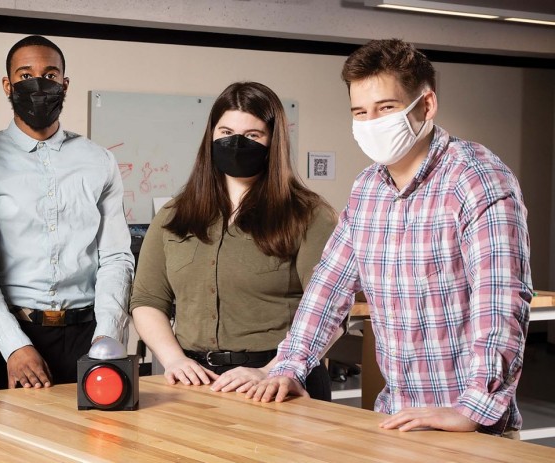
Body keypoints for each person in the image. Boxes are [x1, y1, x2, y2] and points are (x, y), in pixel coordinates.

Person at [218, 39, 532, 437]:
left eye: (386, 109)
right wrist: (288, 368)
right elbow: (328, 290)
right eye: (360, 113)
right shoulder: (368, 188)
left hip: (472, 429)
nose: (372, 123)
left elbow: (501, 303)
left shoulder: (477, 179)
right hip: (397, 420)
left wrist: (472, 409)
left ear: (426, 105)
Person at [130, 81, 338, 400]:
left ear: (273, 142)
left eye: (252, 135)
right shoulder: (174, 214)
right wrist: (174, 359)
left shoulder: (309, 215)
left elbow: (332, 315)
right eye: (226, 133)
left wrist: (271, 371)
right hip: (194, 384)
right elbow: (146, 300)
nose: (237, 144)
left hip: (278, 384)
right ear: (211, 137)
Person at [0, 35, 134, 390]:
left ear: (64, 85)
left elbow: (115, 256)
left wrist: (107, 337)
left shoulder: (99, 160)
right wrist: (14, 345)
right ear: (7, 85)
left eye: (50, 75)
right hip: (11, 338)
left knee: (99, 442)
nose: (38, 83)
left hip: (89, 334)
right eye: (25, 75)